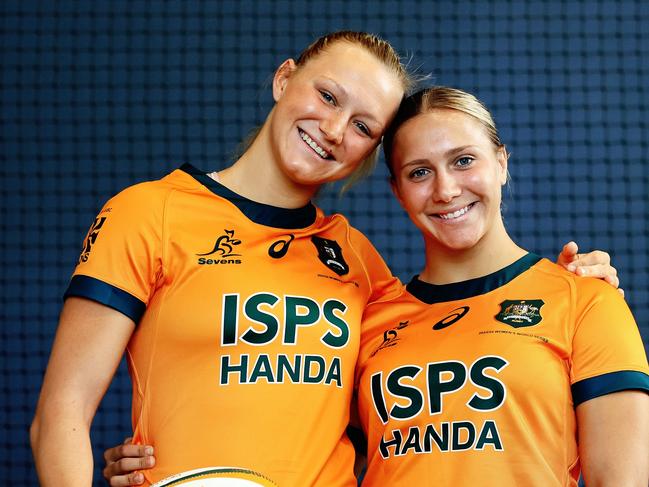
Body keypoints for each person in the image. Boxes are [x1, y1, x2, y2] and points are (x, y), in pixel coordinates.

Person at [31, 29, 620, 487]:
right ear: (285, 78)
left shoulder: (359, 263)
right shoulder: (149, 213)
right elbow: (60, 414)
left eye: (363, 125)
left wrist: (571, 290)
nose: (335, 129)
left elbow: (444, 360)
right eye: (328, 95)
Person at [354, 87, 649, 486]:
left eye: (463, 160)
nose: (446, 190)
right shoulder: (366, 322)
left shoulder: (586, 300)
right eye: (419, 172)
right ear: (398, 191)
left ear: (501, 162)